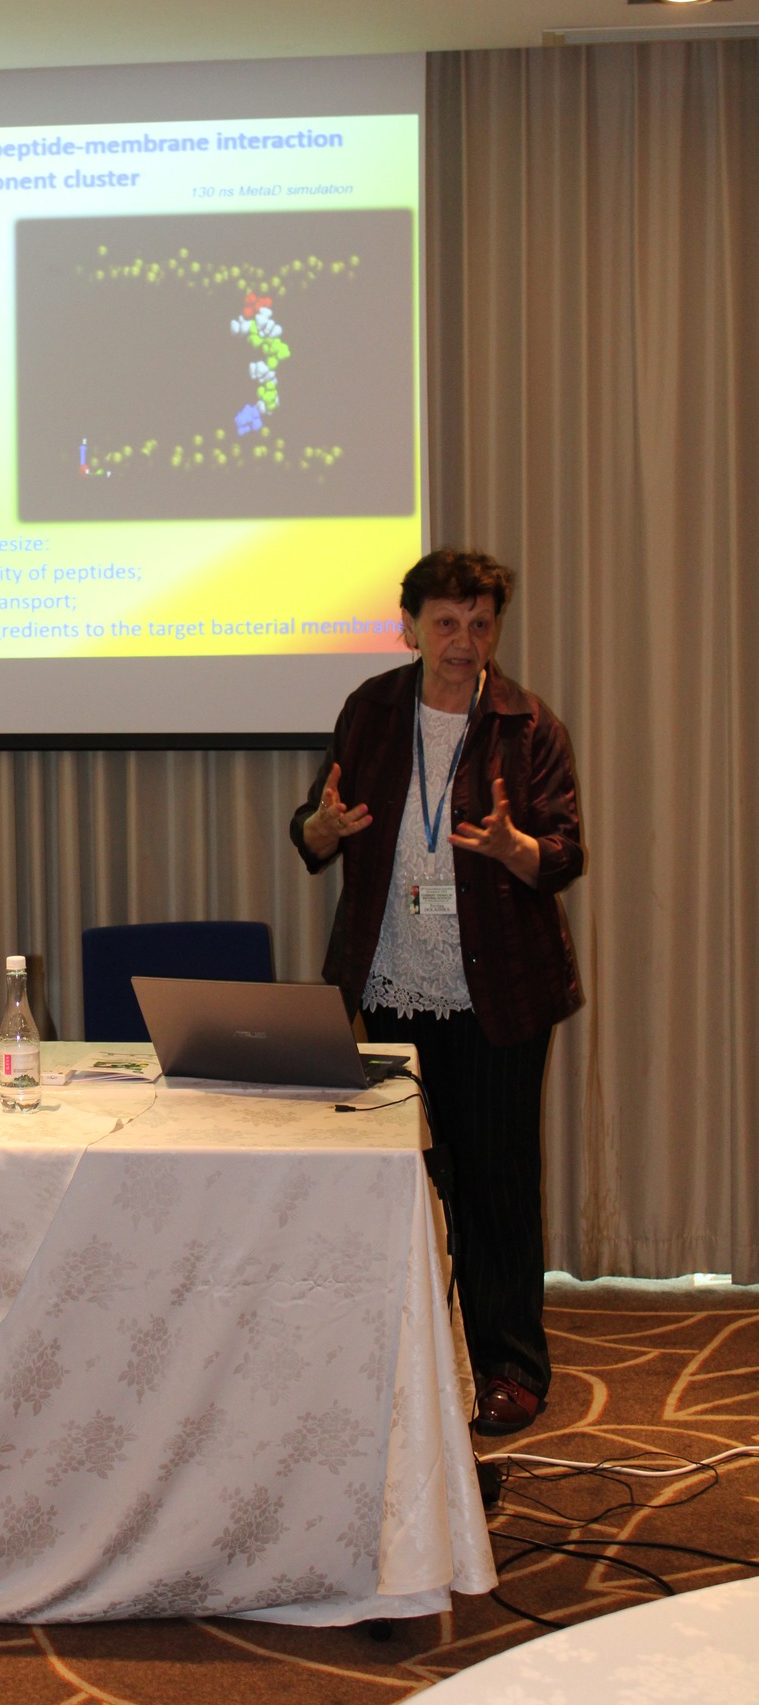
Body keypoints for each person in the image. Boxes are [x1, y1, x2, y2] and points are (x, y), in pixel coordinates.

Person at [290, 547, 584, 1436]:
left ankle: (509, 1366)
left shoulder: (526, 724)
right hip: (389, 978)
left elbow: (564, 852)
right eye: (446, 622)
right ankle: (414, 1354)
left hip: (497, 989)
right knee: (409, 1177)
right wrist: (322, 828)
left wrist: (514, 849)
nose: (463, 641)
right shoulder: (372, 710)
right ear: (410, 626)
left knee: (496, 1181)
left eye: (480, 623)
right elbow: (313, 829)